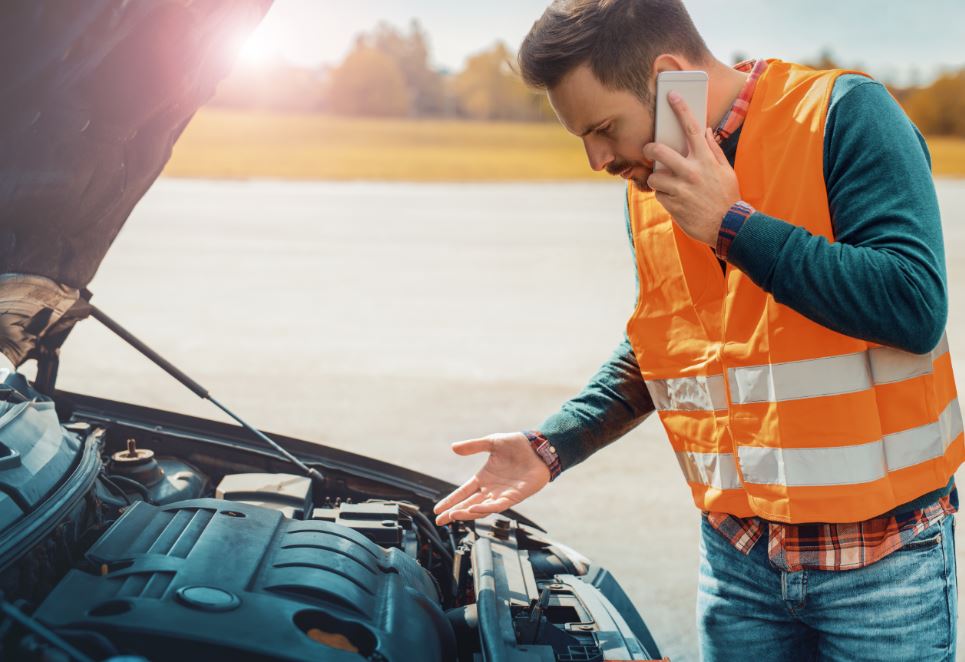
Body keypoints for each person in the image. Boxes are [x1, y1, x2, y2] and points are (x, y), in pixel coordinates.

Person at [433, 1, 961, 659]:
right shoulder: (652, 182)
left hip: (879, 569)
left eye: (601, 128)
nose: (596, 159)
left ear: (665, 77)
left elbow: (911, 304)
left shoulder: (845, 113)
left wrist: (731, 226)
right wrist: (555, 443)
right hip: (736, 560)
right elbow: (668, 340)